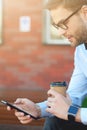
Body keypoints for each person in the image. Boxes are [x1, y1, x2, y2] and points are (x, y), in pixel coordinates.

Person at [7, 0, 87, 130]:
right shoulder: (81, 51)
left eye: (63, 23)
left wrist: (74, 113)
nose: (61, 32)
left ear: (85, 12)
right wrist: (38, 109)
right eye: (57, 26)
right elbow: (73, 97)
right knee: (56, 120)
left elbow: (70, 110)